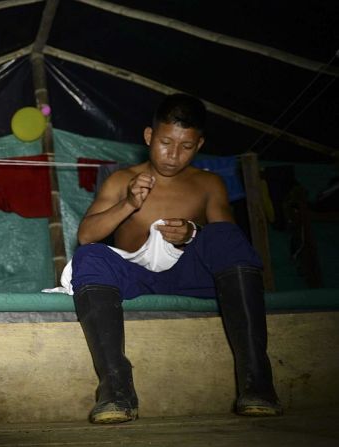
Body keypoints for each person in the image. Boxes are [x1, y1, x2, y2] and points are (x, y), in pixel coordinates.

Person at [71, 93, 282, 424]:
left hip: (190, 278)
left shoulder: (209, 184)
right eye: (166, 142)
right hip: (134, 279)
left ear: (199, 145)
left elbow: (227, 242)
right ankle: (116, 390)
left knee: (225, 235)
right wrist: (128, 203)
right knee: (90, 256)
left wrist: (193, 233)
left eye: (185, 146)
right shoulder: (122, 180)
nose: (173, 155)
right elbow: (85, 235)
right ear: (149, 137)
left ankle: (257, 383)